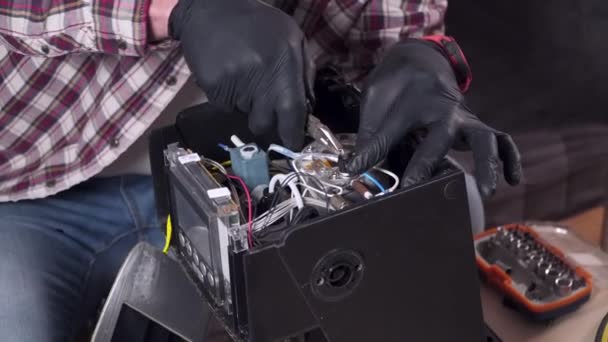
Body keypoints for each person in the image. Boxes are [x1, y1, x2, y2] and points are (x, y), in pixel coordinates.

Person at [0, 0, 521, 340]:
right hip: (38, 191)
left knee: (446, 212)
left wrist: (423, 59)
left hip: (252, 180)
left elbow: (392, 23)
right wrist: (173, 9)